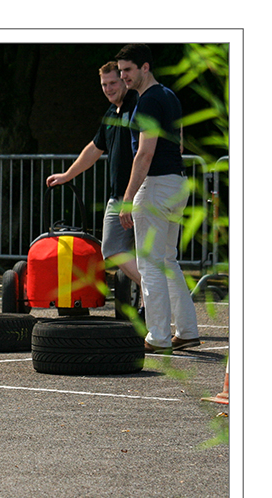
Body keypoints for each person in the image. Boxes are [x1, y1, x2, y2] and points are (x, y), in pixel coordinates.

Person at [116, 43, 199, 354]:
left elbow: (145, 152)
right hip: (177, 184)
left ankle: (158, 337)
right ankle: (187, 331)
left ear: (145, 67)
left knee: (151, 265)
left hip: (156, 185)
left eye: (128, 70)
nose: (123, 76)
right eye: (121, 70)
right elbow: (177, 145)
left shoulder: (149, 101)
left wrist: (128, 197)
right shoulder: (169, 96)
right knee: (167, 261)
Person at [46, 61, 142, 307]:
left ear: (124, 81)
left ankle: (151, 303)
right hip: (117, 197)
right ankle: (151, 286)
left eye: (113, 83)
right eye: (104, 85)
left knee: (147, 255)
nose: (109, 89)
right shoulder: (111, 114)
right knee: (111, 248)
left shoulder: (139, 104)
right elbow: (94, 148)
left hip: (142, 193)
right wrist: (67, 175)